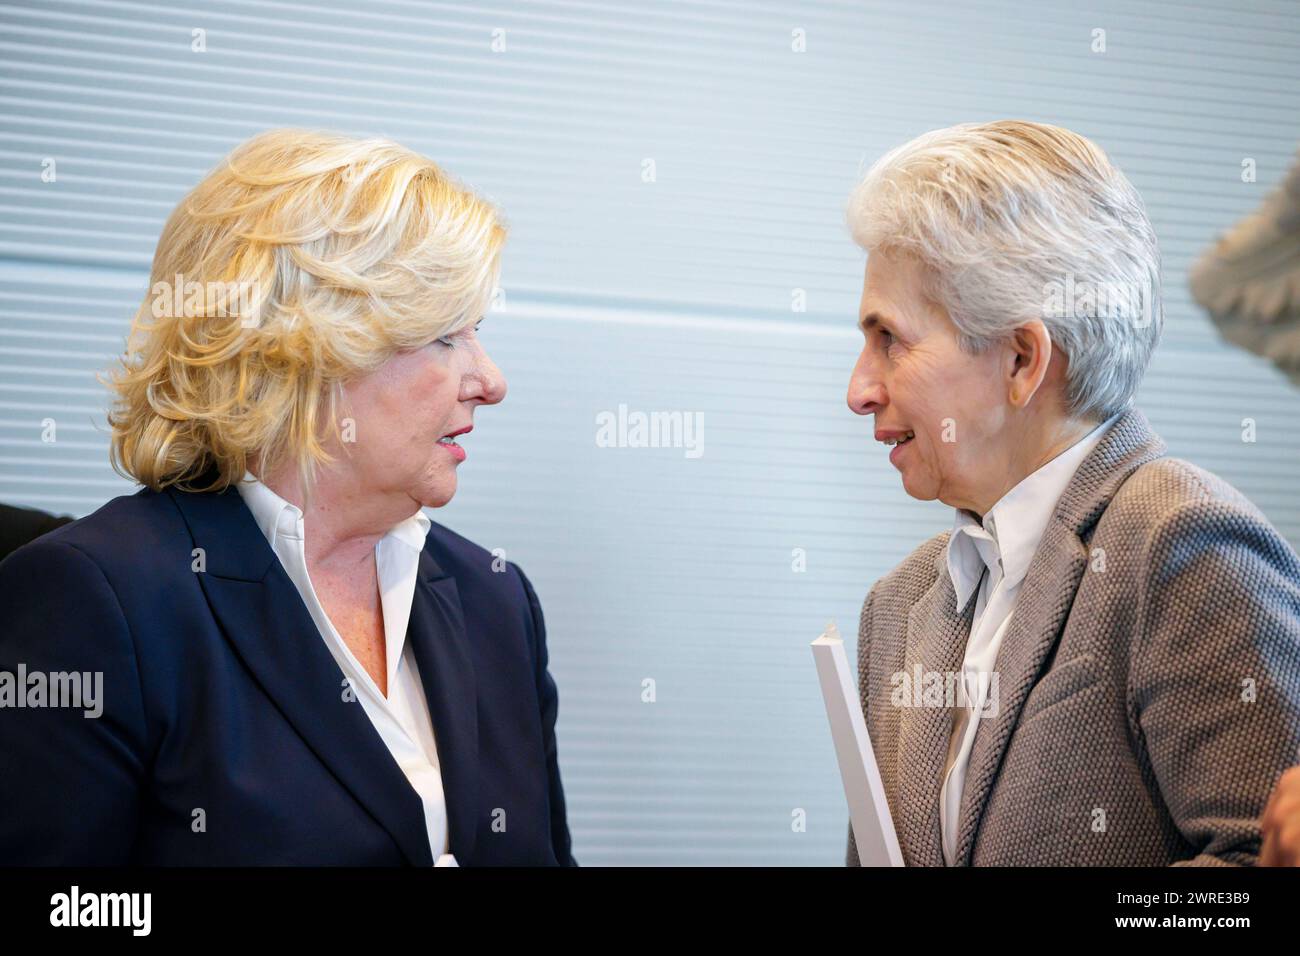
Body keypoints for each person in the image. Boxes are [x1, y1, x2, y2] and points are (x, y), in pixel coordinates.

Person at [0, 129, 574, 866]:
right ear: (299, 349)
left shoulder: (495, 599)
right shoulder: (97, 601)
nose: (490, 381)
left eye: (478, 332)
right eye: (442, 336)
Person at [842, 120, 1300, 866]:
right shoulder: (896, 607)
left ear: (1022, 359)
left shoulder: (1183, 542)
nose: (859, 389)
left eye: (889, 338)